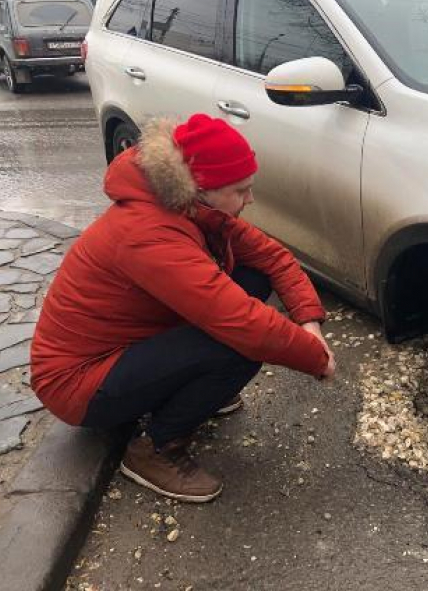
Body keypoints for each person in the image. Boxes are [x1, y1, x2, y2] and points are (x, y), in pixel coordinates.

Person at [31, 113, 335, 503]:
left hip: (128, 344)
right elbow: (245, 325)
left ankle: (197, 391)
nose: (250, 199)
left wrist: (309, 322)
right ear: (202, 188)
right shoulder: (147, 232)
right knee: (239, 346)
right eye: (241, 191)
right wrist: (316, 358)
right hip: (78, 384)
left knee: (253, 279)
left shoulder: (194, 209)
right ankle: (155, 451)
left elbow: (273, 257)